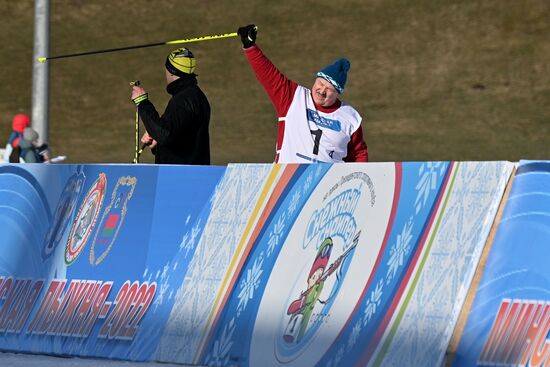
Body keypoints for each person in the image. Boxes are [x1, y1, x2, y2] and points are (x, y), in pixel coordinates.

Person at [237, 24, 368, 164]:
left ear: (337, 93)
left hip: (328, 183)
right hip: (287, 179)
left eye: (329, 89)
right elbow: (268, 75)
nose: (322, 91)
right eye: (321, 83)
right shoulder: (293, 97)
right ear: (315, 80)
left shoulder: (350, 117)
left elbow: (358, 155)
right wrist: (250, 47)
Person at [130, 47, 211, 165]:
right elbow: (182, 140)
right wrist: (157, 145)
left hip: (180, 179)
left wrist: (142, 102)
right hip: (189, 175)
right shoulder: (195, 95)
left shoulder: (183, 100)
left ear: (171, 71)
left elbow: (165, 134)